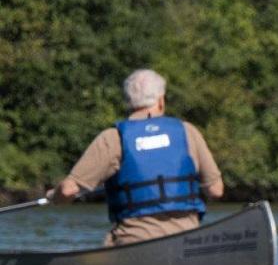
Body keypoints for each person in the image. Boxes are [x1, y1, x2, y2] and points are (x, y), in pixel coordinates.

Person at [47, 69, 223, 246]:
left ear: (127, 102)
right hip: (187, 240)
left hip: (133, 243)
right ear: (161, 100)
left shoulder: (113, 138)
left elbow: (69, 190)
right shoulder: (187, 132)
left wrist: (55, 196)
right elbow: (216, 190)